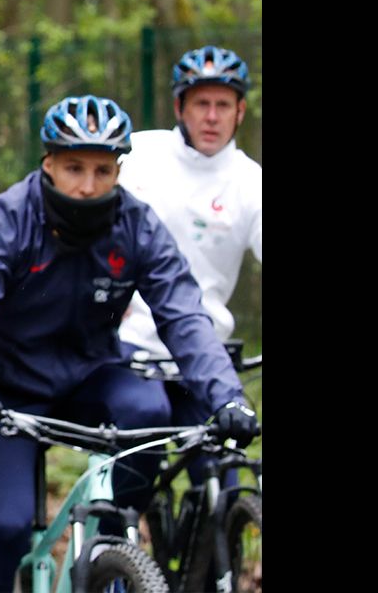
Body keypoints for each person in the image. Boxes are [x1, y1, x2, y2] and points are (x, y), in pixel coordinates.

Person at [0, 95, 258, 592]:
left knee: (148, 407)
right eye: (74, 167)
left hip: (89, 373)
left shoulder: (135, 226)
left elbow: (183, 315)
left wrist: (226, 395)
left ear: (119, 171)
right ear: (48, 163)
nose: (88, 185)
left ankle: (116, 541)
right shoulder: (10, 217)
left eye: (103, 170)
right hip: (2, 389)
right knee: (6, 530)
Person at [116, 45, 261, 485]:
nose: (212, 117)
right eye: (202, 103)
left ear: (240, 112)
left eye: (223, 105)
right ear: (180, 106)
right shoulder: (136, 154)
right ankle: (118, 548)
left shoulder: (251, 183)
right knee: (129, 481)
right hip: (131, 351)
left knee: (227, 485)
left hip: (204, 357)